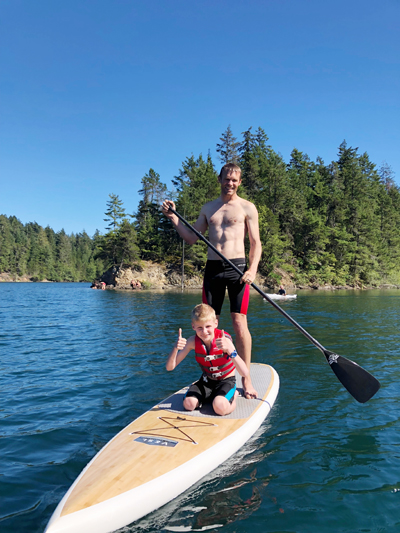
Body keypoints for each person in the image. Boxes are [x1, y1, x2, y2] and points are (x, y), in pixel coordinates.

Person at [162, 162, 261, 399]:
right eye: (227, 179)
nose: (230, 183)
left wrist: (252, 269)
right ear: (220, 179)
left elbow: (255, 243)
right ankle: (214, 375)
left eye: (234, 180)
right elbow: (191, 238)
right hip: (213, 269)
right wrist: (173, 217)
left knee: (239, 322)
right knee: (208, 324)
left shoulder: (247, 207)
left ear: (240, 182)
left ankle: (246, 378)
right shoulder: (209, 208)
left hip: (238, 268)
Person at [166, 303, 250, 416]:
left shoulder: (224, 341)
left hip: (226, 381)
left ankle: (233, 395)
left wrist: (230, 350)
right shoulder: (192, 342)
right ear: (193, 327)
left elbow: (244, 373)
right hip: (207, 381)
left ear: (216, 323)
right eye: (200, 328)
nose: (204, 332)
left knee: (220, 408)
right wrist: (175, 348)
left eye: (208, 326)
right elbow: (170, 367)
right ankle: (209, 396)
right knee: (188, 404)